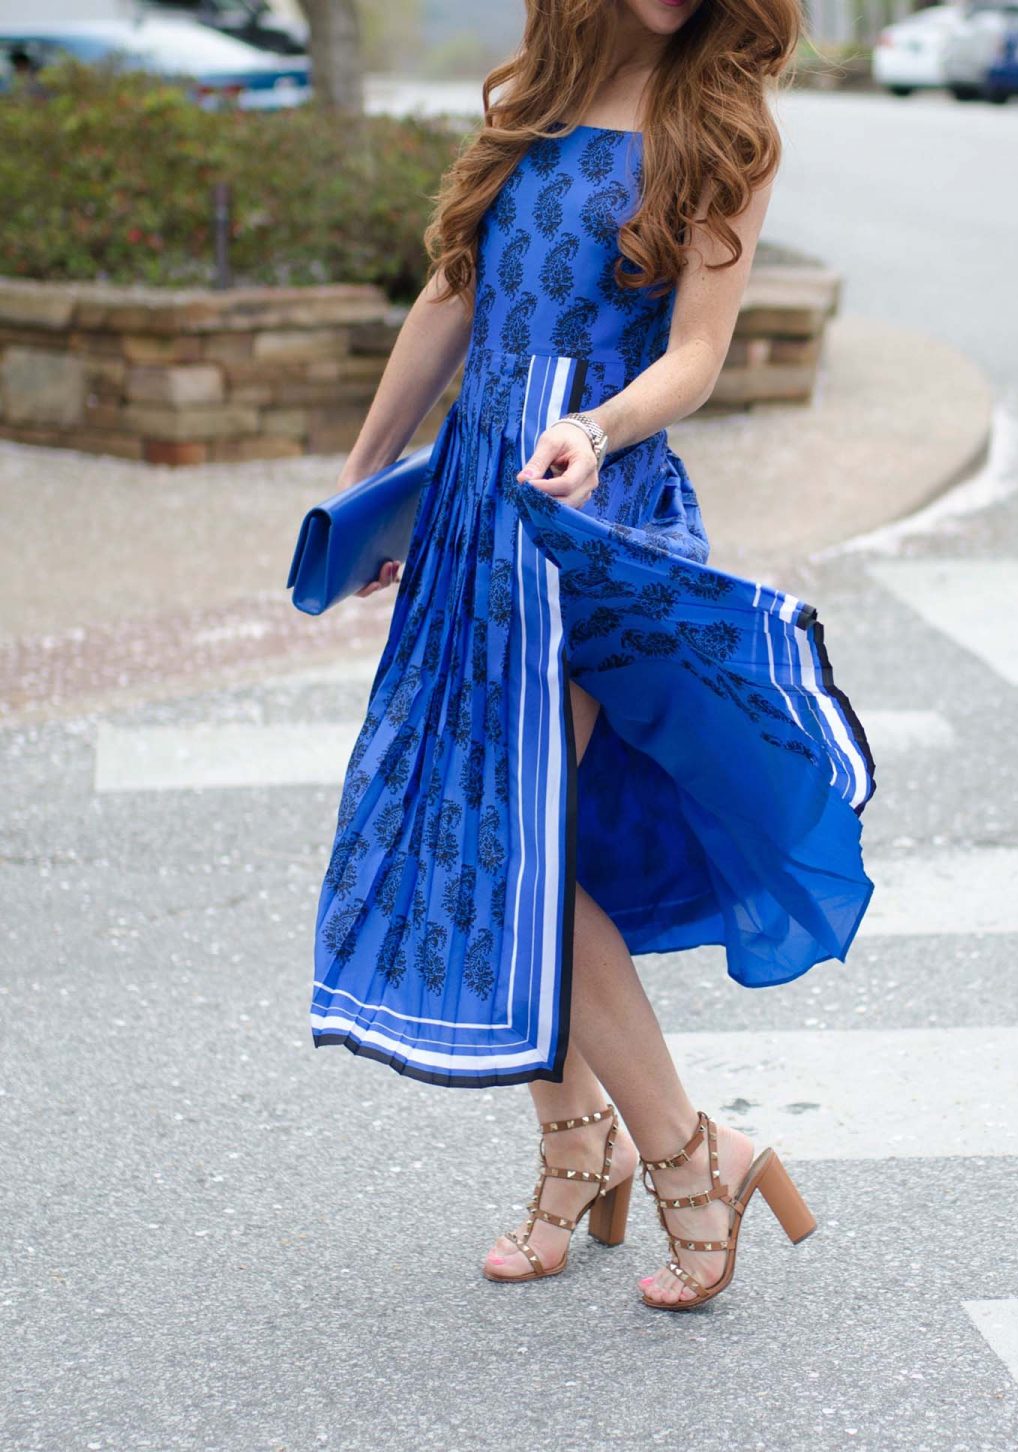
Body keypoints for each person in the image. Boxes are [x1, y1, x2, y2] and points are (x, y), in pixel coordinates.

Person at [310, 0, 877, 1312]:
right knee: (507, 830)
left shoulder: (723, 124)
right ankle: (581, 1153)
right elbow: (448, 305)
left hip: (587, 509)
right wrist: (363, 486)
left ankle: (690, 1150)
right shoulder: (533, 101)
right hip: (467, 501)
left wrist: (600, 429)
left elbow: (700, 354)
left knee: (522, 843)